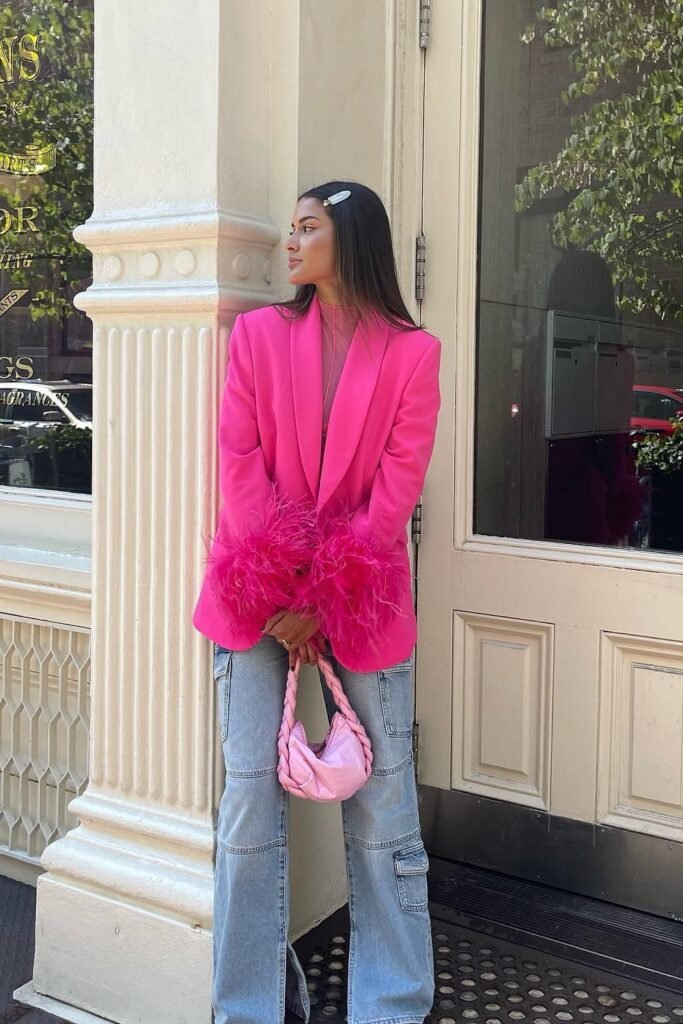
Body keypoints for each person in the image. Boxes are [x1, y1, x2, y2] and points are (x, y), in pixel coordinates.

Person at [192, 180, 442, 1024]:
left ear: (352, 238)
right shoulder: (258, 336)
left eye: (307, 228)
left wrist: (324, 603)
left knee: (383, 817)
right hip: (255, 602)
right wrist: (286, 595)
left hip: (364, 602)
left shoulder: (413, 354)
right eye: (291, 229)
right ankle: (246, 1009)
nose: (289, 244)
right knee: (247, 809)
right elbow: (238, 464)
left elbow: (391, 499)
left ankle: (392, 1005)